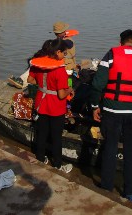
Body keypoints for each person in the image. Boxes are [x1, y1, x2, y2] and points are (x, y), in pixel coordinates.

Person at [90, 29, 132, 203]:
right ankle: (129, 193)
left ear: (121, 41)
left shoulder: (112, 54)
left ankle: (107, 189)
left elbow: (98, 84)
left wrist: (95, 106)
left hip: (112, 111)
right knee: (131, 153)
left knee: (110, 149)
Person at [28, 38, 74, 173]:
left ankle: (41, 158)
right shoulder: (60, 71)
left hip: (41, 103)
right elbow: (61, 95)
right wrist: (70, 90)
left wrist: (42, 83)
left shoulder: (38, 64)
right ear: (58, 52)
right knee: (56, 137)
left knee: (41, 134)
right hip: (56, 107)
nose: (64, 56)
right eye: (64, 53)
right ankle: (58, 165)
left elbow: (30, 80)